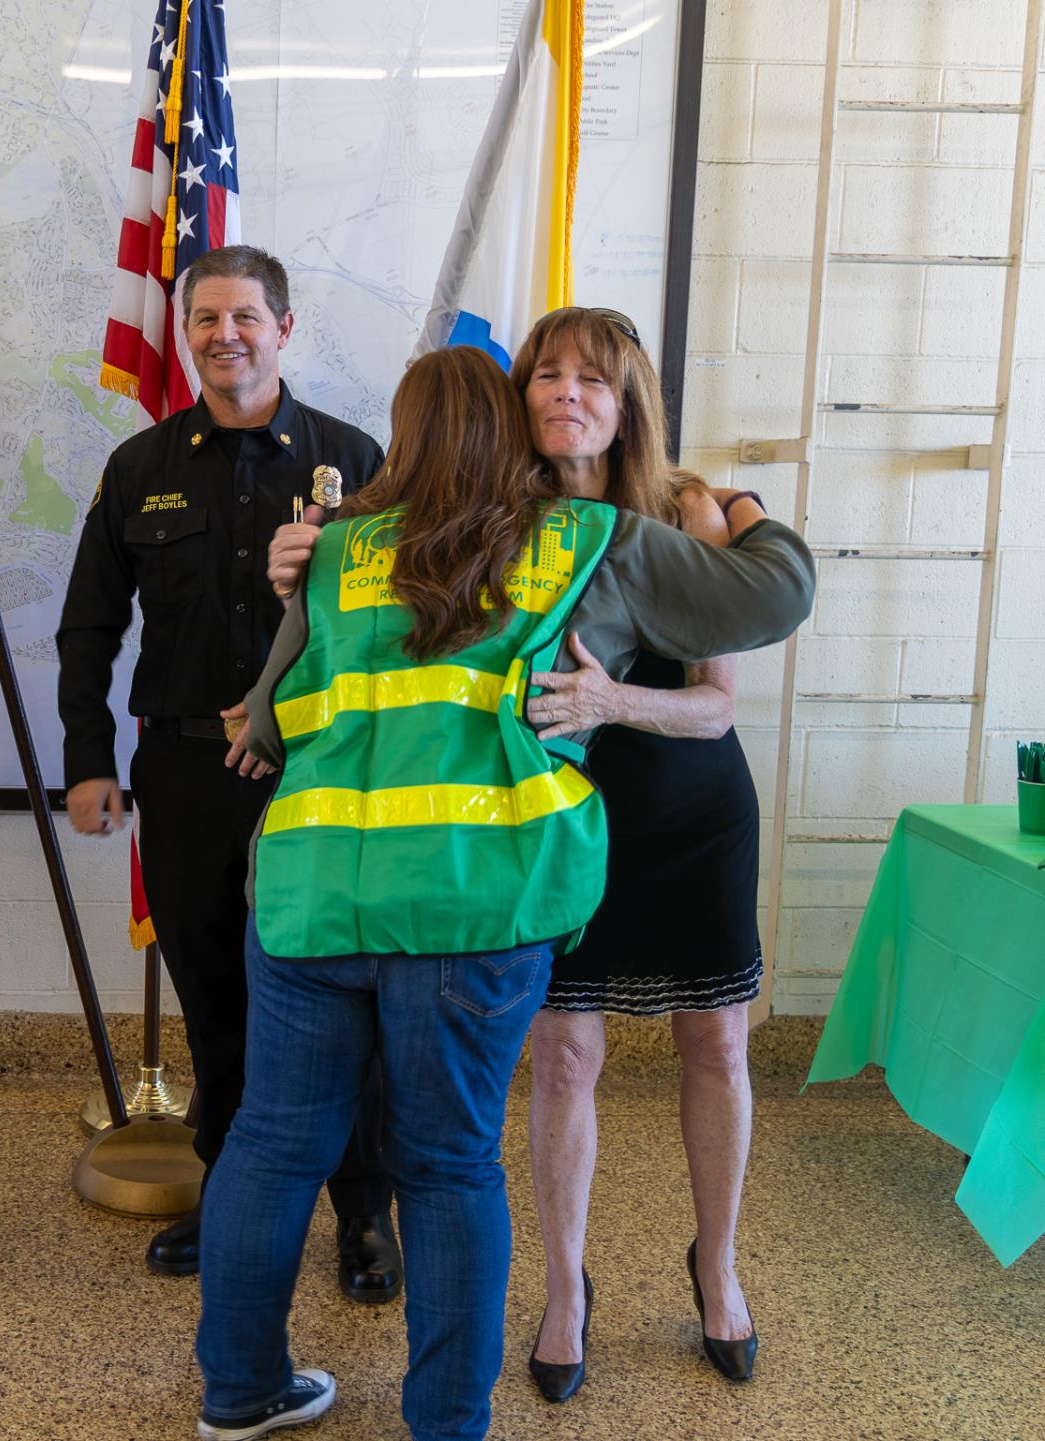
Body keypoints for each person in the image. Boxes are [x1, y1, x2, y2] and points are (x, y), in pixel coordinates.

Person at [190, 343, 815, 1441]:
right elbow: (778, 592)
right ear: (508, 428)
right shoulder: (583, 541)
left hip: (309, 902)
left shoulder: (338, 550)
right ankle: (445, 1423)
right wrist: (749, 510)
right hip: (472, 909)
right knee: (447, 1169)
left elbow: (269, 724)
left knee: (272, 1146)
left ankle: (238, 1393)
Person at [56, 245, 399, 1300]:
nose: (224, 335)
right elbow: (88, 627)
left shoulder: (355, 459)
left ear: (283, 329)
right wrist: (87, 760)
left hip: (323, 772)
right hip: (188, 772)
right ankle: (233, 1192)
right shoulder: (140, 468)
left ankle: (362, 1211)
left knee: (346, 993)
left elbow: (395, 623)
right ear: (184, 332)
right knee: (214, 993)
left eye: (246, 316)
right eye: (204, 318)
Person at [513, 306, 765, 1397]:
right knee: (564, 1057)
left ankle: (718, 1263)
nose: (567, 393)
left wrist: (609, 700)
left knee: (717, 1044)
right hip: (565, 823)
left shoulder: (685, 511)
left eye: (592, 379)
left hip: (694, 816)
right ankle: (565, 1286)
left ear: (627, 407)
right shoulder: (503, 515)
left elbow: (717, 706)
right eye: (547, 374)